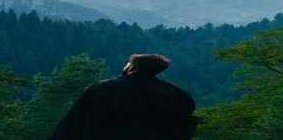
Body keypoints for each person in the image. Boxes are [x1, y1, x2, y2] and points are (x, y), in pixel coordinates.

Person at [51, 54, 196, 140]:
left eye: (128, 63)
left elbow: (72, 124)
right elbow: (184, 129)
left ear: (132, 67)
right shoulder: (177, 96)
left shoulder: (101, 89)